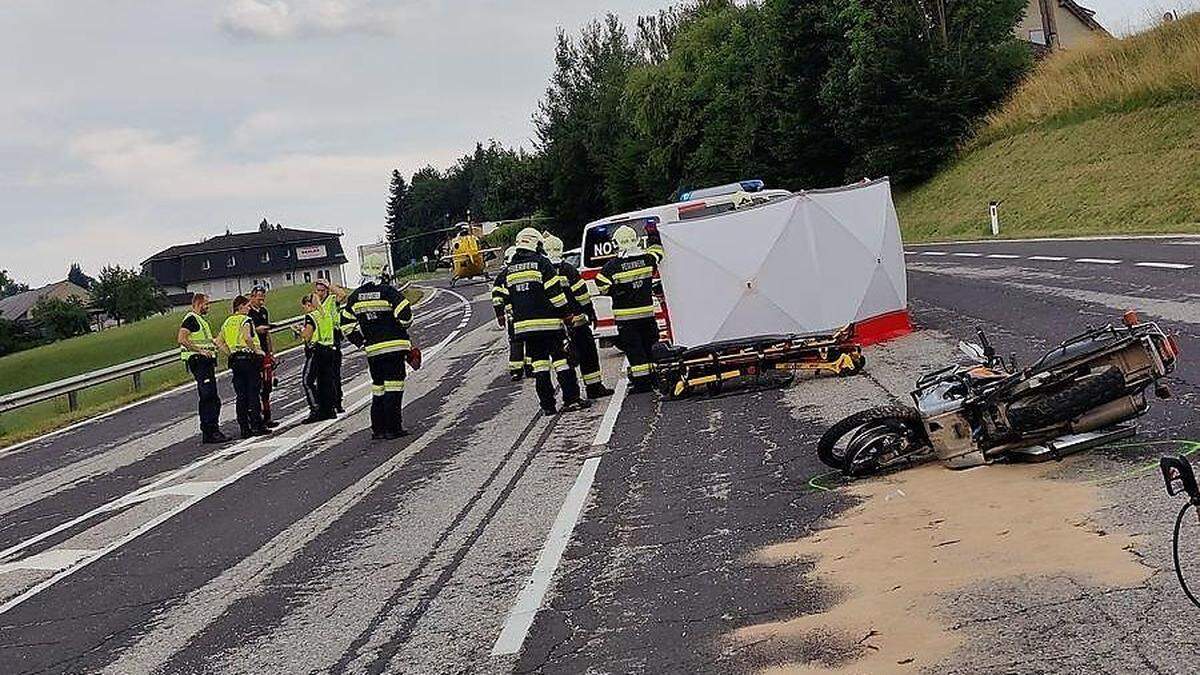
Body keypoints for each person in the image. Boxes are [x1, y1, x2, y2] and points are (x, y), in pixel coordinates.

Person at [492, 228, 589, 416]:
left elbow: (498, 292)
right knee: (562, 361)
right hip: (549, 325)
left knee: (539, 365)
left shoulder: (509, 270)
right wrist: (567, 315)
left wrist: (500, 314)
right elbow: (556, 294)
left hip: (525, 329)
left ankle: (547, 406)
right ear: (536, 244)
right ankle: (571, 399)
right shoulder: (542, 263)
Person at [344, 255, 413, 439]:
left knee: (378, 389)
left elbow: (346, 325)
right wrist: (401, 327)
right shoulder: (388, 291)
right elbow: (405, 314)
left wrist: (360, 341)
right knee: (394, 388)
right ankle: (393, 429)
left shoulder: (355, 297)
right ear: (381, 271)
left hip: (373, 351)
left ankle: (378, 429)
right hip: (394, 348)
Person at [595, 224, 665, 393]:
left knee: (635, 350)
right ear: (636, 240)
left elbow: (601, 284)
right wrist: (653, 233)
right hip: (647, 313)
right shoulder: (648, 259)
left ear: (617, 243)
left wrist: (617, 291)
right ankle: (656, 379)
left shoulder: (612, 266)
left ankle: (642, 384)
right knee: (650, 346)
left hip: (626, 318)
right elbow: (658, 252)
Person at [542, 234, 613, 399]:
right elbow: (581, 295)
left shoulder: (542, 271)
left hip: (555, 325)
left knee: (565, 360)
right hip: (577, 322)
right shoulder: (567, 269)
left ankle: (571, 393)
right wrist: (590, 312)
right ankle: (594, 387)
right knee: (587, 354)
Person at [216, 295, 268, 439]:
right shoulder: (245, 320)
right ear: (240, 307)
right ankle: (257, 425)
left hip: (235, 361)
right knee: (253, 392)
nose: (249, 309)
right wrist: (256, 350)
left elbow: (219, 342)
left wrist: (230, 353)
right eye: (247, 306)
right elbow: (247, 337)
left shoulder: (227, 322)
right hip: (248, 359)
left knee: (241, 396)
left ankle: (244, 428)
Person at [178, 293, 227, 444]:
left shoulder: (200, 320)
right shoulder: (191, 319)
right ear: (199, 304)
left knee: (212, 397)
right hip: (199, 361)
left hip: (205, 362)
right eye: (206, 304)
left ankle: (211, 431)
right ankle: (210, 431)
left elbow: (205, 340)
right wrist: (200, 351)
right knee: (208, 397)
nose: (208, 307)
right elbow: (181, 338)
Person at [297, 293, 338, 424]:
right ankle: (329, 410)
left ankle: (316, 409)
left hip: (316, 350)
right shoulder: (325, 313)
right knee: (325, 381)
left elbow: (307, 336)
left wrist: (299, 331)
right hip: (329, 349)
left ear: (309, 305)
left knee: (307, 381)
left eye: (305, 307)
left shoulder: (311, 316)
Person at [314, 278, 349, 413]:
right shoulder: (315, 303)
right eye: (318, 290)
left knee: (334, 373)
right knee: (322, 375)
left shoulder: (331, 301)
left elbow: (342, 295)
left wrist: (329, 285)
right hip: (320, 342)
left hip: (333, 339)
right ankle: (327, 403)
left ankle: (337, 402)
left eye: (323, 290)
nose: (320, 293)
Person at [246, 286, 279, 428]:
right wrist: (259, 329)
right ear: (252, 297)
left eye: (263, 299)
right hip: (253, 352)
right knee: (255, 387)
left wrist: (271, 352)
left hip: (264, 352)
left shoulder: (264, 311)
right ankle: (255, 417)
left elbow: (267, 334)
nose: (261, 301)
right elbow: (249, 332)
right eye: (259, 299)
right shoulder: (247, 312)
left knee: (267, 386)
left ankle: (267, 416)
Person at [495, 246, 528, 381]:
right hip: (527, 312)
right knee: (530, 340)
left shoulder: (502, 276)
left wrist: (500, 315)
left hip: (512, 316)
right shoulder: (527, 271)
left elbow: (497, 297)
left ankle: (516, 370)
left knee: (515, 341)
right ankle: (532, 368)